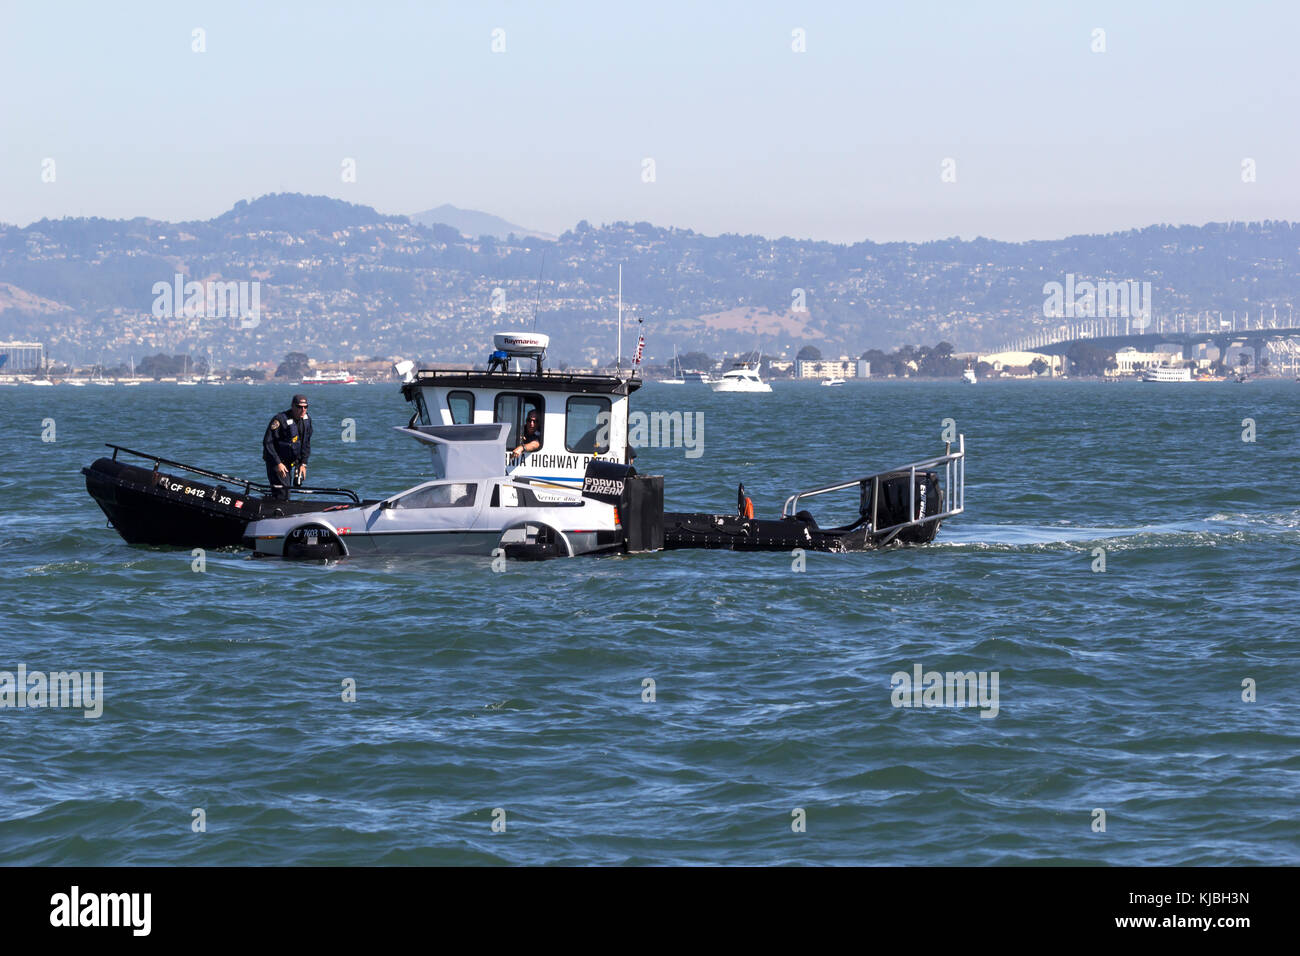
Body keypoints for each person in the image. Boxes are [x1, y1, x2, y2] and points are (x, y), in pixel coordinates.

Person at [263, 394, 312, 499]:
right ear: (293, 406)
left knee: (288, 489)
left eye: (305, 407)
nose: (303, 409)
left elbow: (306, 443)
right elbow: (268, 442)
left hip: (291, 462)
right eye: (299, 407)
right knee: (283, 493)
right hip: (277, 462)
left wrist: (303, 463)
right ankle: (276, 511)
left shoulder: (307, 420)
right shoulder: (280, 420)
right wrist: (278, 463)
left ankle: (272, 503)